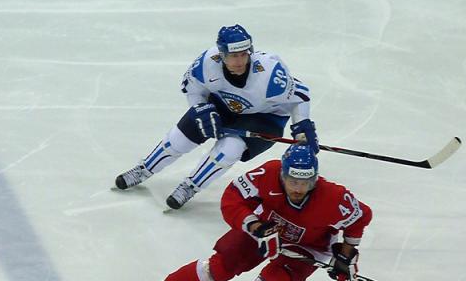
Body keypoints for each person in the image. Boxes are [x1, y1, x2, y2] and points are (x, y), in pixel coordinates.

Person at [134, 143, 372, 281]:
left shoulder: (334, 198)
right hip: (264, 227)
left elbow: (361, 217)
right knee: (218, 267)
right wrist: (255, 227)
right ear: (282, 174)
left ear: (315, 179)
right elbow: (232, 198)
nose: (299, 189)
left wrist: (347, 253)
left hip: (308, 245)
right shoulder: (267, 174)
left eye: (306, 182)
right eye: (292, 181)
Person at [114, 24, 318, 209]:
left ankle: (191, 186)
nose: (239, 61)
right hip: (222, 104)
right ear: (221, 55)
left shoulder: (270, 73)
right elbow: (193, 89)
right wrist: (200, 108)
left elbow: (300, 96)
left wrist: (302, 127)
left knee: (230, 148)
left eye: (243, 54)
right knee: (179, 138)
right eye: (232, 56)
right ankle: (143, 169)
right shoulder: (205, 64)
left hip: (266, 117)